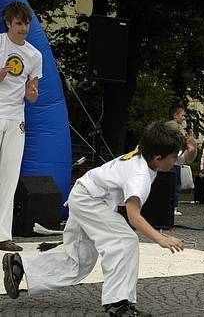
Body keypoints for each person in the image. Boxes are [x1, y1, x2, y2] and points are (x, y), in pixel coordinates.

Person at [2, 121, 186, 316]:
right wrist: (161, 239)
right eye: (174, 158)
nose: (176, 162)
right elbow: (134, 217)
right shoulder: (139, 175)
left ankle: (20, 265)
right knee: (124, 240)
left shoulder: (148, 151)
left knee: (80, 261)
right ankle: (118, 304)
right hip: (89, 200)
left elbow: (182, 157)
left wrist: (190, 149)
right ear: (158, 158)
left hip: (85, 194)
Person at [0, 1, 42, 252]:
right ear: (8, 23)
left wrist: (32, 92)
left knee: (10, 177)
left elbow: (33, 95)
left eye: (26, 23)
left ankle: (3, 234)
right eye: (19, 23)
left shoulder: (34, 55)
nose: (23, 28)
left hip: (17, 118)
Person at [166, 105, 187, 216]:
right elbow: (183, 140)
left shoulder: (168, 126)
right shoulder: (175, 127)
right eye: (182, 115)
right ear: (175, 115)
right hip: (174, 161)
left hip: (173, 160)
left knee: (172, 183)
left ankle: (170, 206)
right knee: (175, 184)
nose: (184, 118)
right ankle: (173, 207)